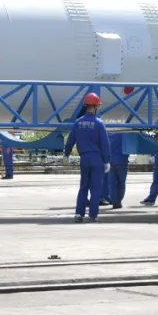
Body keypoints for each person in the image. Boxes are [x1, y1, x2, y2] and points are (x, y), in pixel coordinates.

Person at [64, 93, 111, 222]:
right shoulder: (99, 123)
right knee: (96, 187)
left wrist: (66, 154)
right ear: (95, 106)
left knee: (83, 186)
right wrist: (106, 160)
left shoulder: (78, 122)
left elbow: (70, 140)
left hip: (84, 158)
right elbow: (104, 144)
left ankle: (79, 214)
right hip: (97, 158)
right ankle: (93, 214)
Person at [103, 132, 129, 209]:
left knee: (111, 183)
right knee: (121, 182)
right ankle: (118, 201)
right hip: (122, 161)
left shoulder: (107, 133)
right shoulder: (125, 133)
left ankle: (114, 202)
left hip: (111, 161)